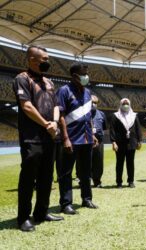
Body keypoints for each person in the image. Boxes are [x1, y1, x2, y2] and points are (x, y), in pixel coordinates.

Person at [12, 45, 63, 232]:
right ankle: (23, 218)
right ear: (32, 59)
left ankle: (42, 212)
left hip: (50, 136)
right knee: (28, 178)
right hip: (31, 137)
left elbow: (57, 105)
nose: (47, 62)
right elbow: (26, 106)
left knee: (46, 177)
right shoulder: (21, 79)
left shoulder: (50, 82)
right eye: (44, 59)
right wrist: (46, 124)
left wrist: (55, 123)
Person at [56, 62, 98, 215]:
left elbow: (89, 116)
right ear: (74, 76)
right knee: (66, 173)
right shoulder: (64, 91)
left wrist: (92, 134)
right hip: (71, 139)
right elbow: (60, 116)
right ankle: (66, 203)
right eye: (84, 73)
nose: (87, 76)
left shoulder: (87, 92)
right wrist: (65, 138)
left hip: (86, 138)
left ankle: (86, 199)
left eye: (87, 73)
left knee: (86, 172)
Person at [110, 98, 142, 188]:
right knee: (119, 163)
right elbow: (112, 129)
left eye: (127, 103)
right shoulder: (115, 116)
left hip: (132, 142)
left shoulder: (134, 115)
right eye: (124, 103)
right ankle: (119, 182)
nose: (125, 105)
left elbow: (138, 129)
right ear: (120, 104)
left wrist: (139, 141)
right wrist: (113, 142)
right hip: (120, 143)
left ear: (130, 104)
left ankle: (131, 181)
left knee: (130, 163)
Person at [91, 95, 107, 188]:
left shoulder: (102, 114)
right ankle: (84, 181)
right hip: (86, 140)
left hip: (99, 141)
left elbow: (104, 127)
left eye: (95, 103)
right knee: (85, 162)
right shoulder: (85, 113)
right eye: (92, 102)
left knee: (98, 162)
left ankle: (97, 181)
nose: (93, 104)